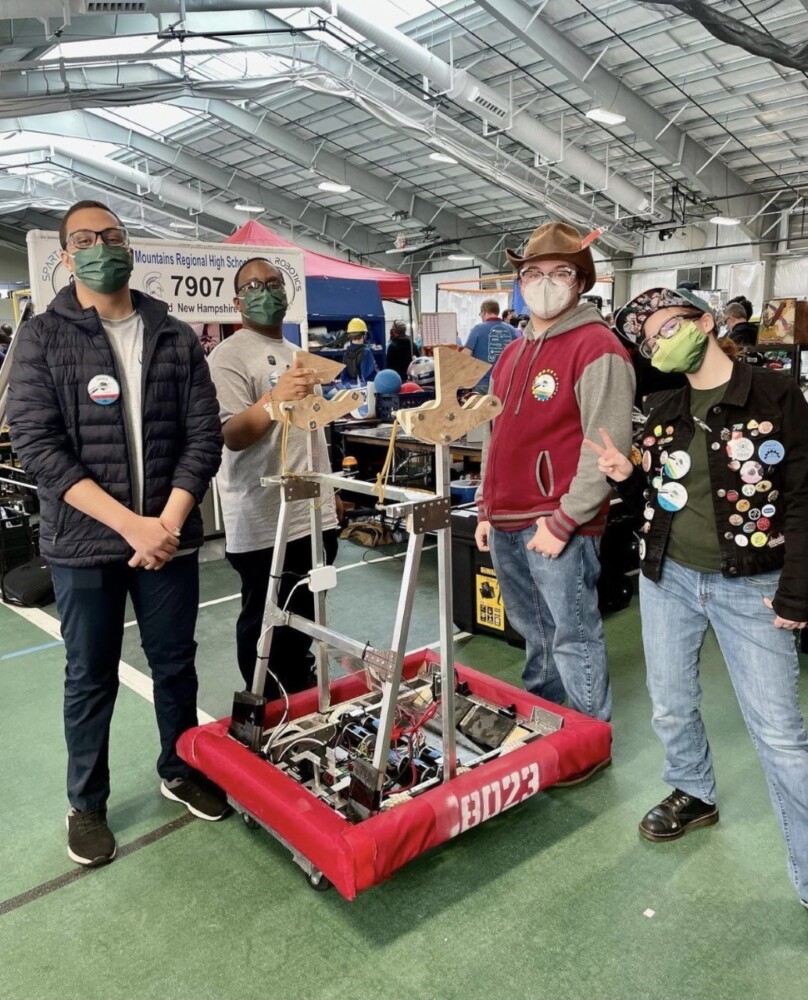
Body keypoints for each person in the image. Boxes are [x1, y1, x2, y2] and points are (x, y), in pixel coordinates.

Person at [7, 199, 229, 869]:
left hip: (168, 539)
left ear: (129, 248)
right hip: (85, 545)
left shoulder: (173, 334)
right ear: (65, 256)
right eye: (84, 239)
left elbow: (203, 436)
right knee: (89, 675)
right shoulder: (43, 338)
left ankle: (180, 767)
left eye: (111, 236)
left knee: (175, 664)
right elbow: (37, 445)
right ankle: (87, 803)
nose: (100, 246)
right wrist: (132, 525)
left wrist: (168, 523)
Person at [588, 285, 808, 909]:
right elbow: (665, 493)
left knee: (780, 735)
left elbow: (803, 497)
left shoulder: (776, 395)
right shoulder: (663, 407)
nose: (658, 343)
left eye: (668, 327)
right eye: (648, 340)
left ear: (705, 322)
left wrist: (797, 593)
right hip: (669, 579)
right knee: (670, 704)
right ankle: (693, 790)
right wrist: (630, 478)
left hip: (753, 584)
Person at [474, 222, 635, 733]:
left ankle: (587, 734)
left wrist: (565, 520)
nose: (544, 282)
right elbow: (495, 433)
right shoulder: (511, 353)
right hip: (506, 517)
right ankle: (544, 719)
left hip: (557, 520)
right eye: (533, 272)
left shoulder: (597, 348)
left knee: (573, 634)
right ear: (520, 282)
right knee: (534, 631)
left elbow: (605, 447)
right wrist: (485, 506)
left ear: (580, 281)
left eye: (559, 272)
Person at [207, 257, 340, 698]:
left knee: (304, 619)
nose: (265, 292)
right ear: (237, 302)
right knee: (266, 624)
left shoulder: (295, 353)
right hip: (264, 519)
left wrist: (330, 490)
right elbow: (231, 435)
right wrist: (272, 399)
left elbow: (311, 430)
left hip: (313, 512)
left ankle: (299, 697)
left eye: (274, 283)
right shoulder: (227, 356)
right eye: (253, 286)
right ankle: (264, 702)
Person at [462, 299, 517, 392]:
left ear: (484, 311)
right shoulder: (512, 330)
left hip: (482, 382)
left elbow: (465, 355)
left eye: (480, 313)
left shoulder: (478, 329)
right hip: (505, 383)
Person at [341, 317, 377, 384]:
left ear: (349, 336)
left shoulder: (346, 353)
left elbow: (344, 378)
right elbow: (369, 377)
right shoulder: (366, 352)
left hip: (350, 388)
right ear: (364, 335)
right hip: (364, 388)